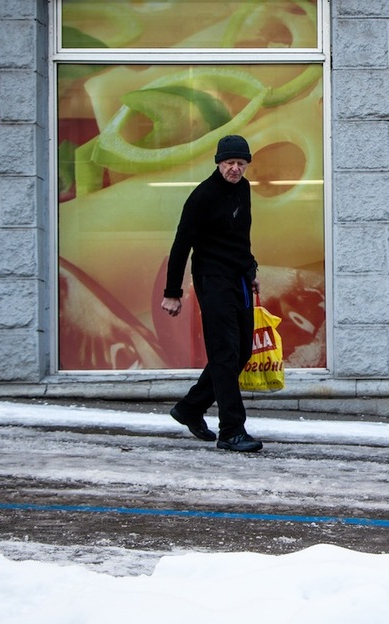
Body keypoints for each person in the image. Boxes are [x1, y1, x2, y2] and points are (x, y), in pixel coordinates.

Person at [160, 135, 263, 453]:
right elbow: (181, 245)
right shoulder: (202, 197)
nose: (235, 169)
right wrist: (173, 292)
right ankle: (231, 430)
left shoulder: (243, 189)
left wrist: (251, 269)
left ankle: (191, 407)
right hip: (211, 279)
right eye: (230, 163)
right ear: (219, 163)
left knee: (242, 350)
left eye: (241, 164)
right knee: (224, 352)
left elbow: (240, 236)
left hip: (238, 279)